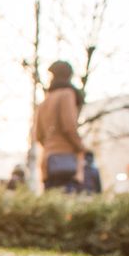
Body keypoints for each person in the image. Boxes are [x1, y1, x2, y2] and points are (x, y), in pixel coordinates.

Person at [34, 60, 86, 193]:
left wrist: (51, 146)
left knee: (52, 205)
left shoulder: (45, 101)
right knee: (68, 205)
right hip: (65, 161)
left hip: (48, 162)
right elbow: (69, 127)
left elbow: (38, 135)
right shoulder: (67, 94)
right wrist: (81, 147)